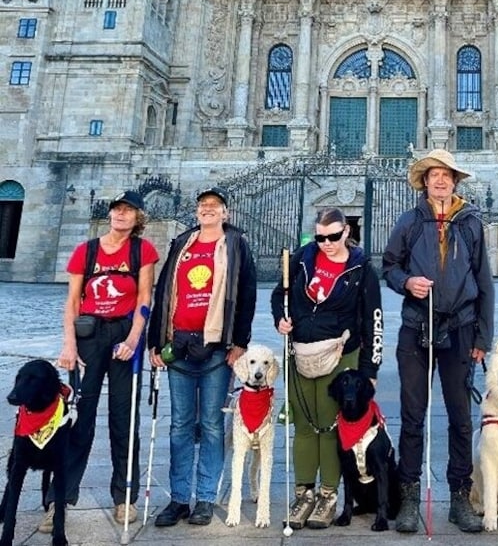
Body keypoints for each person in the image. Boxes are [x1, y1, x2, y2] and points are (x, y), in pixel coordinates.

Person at [382, 148, 494, 534]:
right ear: (425, 181)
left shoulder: (472, 223)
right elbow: (389, 266)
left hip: (461, 329)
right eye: (434, 175)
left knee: (461, 419)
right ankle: (410, 496)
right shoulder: (410, 221)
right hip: (417, 326)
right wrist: (406, 283)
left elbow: (484, 283)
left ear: (455, 181)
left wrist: (483, 335)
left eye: (447, 175)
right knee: (413, 416)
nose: (441, 181)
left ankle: (460, 496)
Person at [46, 190, 158, 530]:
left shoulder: (143, 250)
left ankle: (125, 497)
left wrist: (134, 339)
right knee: (78, 419)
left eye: (127, 211)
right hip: (89, 337)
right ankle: (59, 499)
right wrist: (68, 345)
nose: (120, 215)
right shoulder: (87, 251)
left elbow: (144, 299)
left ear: (137, 218)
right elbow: (72, 301)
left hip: (124, 337)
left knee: (125, 420)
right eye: (116, 210)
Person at [148, 187, 257, 528]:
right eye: (202, 205)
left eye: (214, 206)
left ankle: (206, 498)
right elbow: (165, 289)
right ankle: (179, 497)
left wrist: (240, 342)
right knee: (180, 425)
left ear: (226, 212)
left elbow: (248, 293)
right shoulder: (182, 243)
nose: (207, 210)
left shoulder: (236, 244)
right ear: (196, 212)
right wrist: (156, 342)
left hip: (216, 348)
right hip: (178, 345)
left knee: (211, 425)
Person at [271, 207, 383, 531]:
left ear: (346, 231)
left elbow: (374, 320)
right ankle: (303, 492)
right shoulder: (302, 258)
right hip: (302, 351)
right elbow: (281, 294)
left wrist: (370, 369)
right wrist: (281, 317)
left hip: (341, 355)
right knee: (305, 425)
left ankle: (328, 494)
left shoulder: (361, 268)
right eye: (321, 237)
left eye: (333, 236)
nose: (327, 243)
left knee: (330, 425)